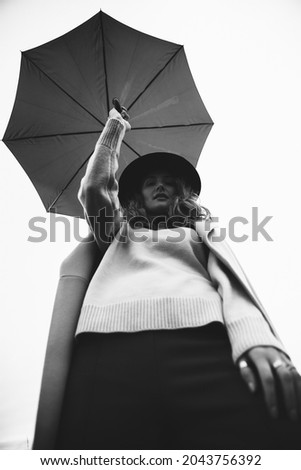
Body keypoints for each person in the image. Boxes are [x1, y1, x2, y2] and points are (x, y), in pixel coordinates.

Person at [35, 104, 301, 450]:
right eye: (150, 182)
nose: (160, 187)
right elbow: (94, 190)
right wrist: (115, 128)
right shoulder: (115, 232)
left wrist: (257, 338)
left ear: (180, 193)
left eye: (168, 183)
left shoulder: (201, 233)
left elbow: (232, 286)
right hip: (108, 354)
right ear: (135, 195)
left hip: (207, 345)